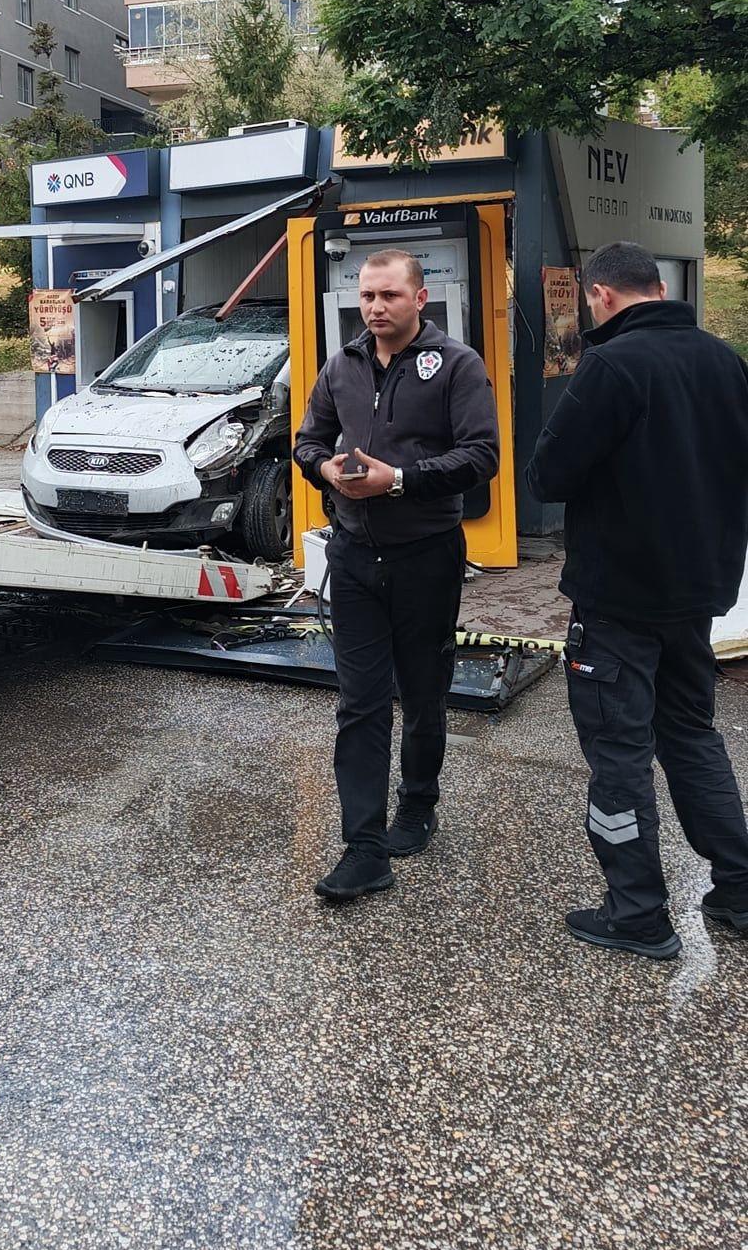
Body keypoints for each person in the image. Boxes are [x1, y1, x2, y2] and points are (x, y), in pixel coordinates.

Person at [526, 241, 748, 960]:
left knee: (618, 754)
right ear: (659, 287)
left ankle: (638, 913)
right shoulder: (725, 362)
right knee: (690, 735)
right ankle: (741, 888)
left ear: (600, 297)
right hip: (697, 596)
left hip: (617, 600)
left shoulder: (613, 365)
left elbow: (549, 475)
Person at [294, 248, 500, 901]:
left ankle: (417, 803)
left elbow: (482, 457)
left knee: (422, 693)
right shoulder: (342, 365)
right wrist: (324, 469)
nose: (376, 308)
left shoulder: (458, 367)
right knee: (359, 703)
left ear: (420, 298)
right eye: (367, 297)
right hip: (354, 556)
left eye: (389, 296)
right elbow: (306, 441)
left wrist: (401, 480)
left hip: (425, 556)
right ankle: (364, 847)